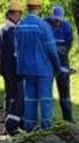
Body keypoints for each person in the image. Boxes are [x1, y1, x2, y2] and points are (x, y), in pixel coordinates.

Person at [14, 0, 65, 131]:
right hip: (44, 70)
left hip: (27, 70)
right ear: (40, 8)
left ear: (27, 8)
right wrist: (58, 68)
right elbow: (52, 50)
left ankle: (29, 128)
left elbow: (18, 50)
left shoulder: (20, 26)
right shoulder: (43, 26)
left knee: (30, 100)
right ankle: (46, 130)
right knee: (45, 100)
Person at [0, 0, 25, 134]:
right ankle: (12, 126)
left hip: (4, 68)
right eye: (19, 14)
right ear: (16, 14)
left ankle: (6, 125)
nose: (20, 17)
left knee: (9, 96)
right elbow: (15, 52)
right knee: (17, 97)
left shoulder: (1, 28)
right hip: (14, 69)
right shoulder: (11, 29)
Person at [47, 6, 74, 123]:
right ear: (51, 17)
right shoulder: (45, 24)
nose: (57, 22)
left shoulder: (67, 28)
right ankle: (47, 119)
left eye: (59, 19)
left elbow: (67, 46)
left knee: (65, 92)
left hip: (62, 63)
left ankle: (68, 119)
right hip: (47, 64)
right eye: (55, 19)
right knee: (46, 92)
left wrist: (57, 52)